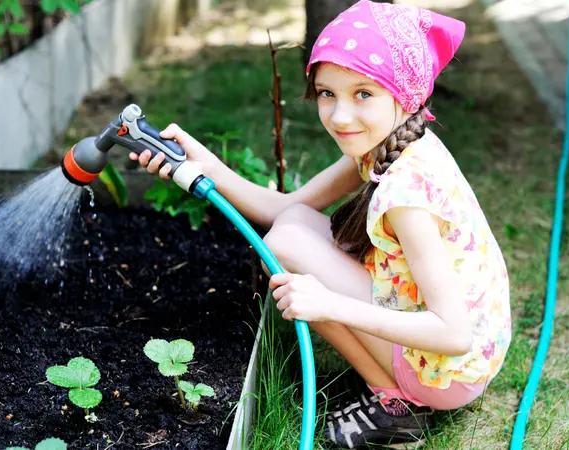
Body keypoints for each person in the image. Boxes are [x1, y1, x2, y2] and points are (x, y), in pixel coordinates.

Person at [130, 1, 511, 447]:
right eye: (328, 93)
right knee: (290, 227)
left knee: (288, 247)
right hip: (458, 353)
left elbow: (453, 333)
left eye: (363, 94)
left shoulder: (407, 195)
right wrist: (205, 165)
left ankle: (395, 403)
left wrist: (328, 305)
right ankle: (391, 384)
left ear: (403, 94)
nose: (340, 115)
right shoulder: (394, 140)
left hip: (449, 373)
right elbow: (285, 206)